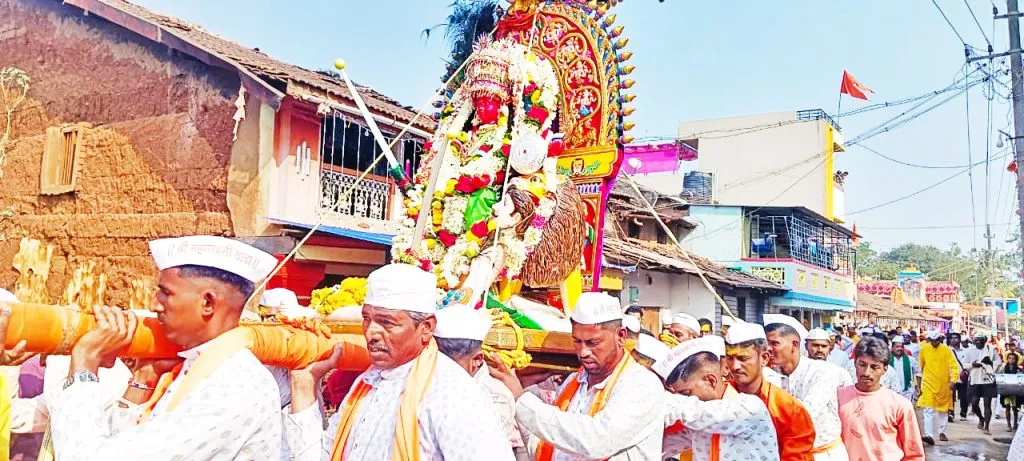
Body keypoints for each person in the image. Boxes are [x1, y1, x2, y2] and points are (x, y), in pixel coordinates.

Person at [30, 236, 285, 460]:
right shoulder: (203, 367)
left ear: (207, 303)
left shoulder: (234, 387)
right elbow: (122, 446)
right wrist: (142, 380)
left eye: (165, 293)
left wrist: (85, 364)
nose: (154, 305)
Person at [286, 263, 513, 460]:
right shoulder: (367, 384)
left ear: (426, 328)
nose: (371, 332)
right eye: (367, 319)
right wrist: (304, 385)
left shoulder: (453, 395)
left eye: (387, 322)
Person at [489, 292, 666, 460]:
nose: (583, 352)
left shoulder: (642, 385)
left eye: (592, 343)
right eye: (577, 341)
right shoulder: (573, 382)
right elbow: (548, 448)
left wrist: (522, 400)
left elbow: (595, 442)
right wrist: (517, 392)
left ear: (620, 336)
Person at [656, 336, 780, 461]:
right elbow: (659, 446)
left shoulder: (749, 408)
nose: (685, 399)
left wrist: (653, 399)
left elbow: (690, 411)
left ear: (711, 380)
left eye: (687, 393)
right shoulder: (700, 423)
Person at [434, 307, 527, 460]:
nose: (442, 371)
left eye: (451, 367)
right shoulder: (422, 380)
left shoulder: (496, 396)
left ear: (477, 359)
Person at [765, 314, 851, 461]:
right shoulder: (769, 374)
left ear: (795, 344)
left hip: (825, 455)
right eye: (765, 344)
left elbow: (804, 414)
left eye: (774, 343)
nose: (768, 349)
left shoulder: (823, 371)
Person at [724, 321, 815, 461]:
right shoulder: (717, 397)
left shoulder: (789, 410)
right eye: (730, 358)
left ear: (764, 358)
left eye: (743, 358)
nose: (735, 366)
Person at [838, 337, 925, 461]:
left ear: (885, 369)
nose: (867, 372)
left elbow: (914, 454)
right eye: (862, 365)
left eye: (874, 367)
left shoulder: (899, 405)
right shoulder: (838, 398)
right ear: (854, 363)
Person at [916, 329, 960, 445]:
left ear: (940, 340)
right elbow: (920, 366)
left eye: (936, 340)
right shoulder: (924, 349)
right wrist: (918, 383)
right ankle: (929, 435)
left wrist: (953, 380)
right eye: (932, 340)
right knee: (928, 409)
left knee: (943, 410)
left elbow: (953, 366)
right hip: (928, 383)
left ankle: (942, 431)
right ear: (929, 340)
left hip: (943, 384)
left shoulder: (946, 350)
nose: (934, 343)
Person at [963, 331, 1001, 434]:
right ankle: (981, 418)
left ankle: (987, 427)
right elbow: (964, 364)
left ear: (984, 341)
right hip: (975, 378)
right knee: (974, 402)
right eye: (976, 341)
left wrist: (989, 363)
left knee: (987, 403)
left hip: (987, 378)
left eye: (980, 341)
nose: (978, 342)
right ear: (974, 342)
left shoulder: (991, 350)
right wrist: (972, 364)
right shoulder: (969, 351)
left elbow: (998, 362)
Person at [888, 335, 921, 403]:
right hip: (891, 392)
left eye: (901, 347)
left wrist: (918, 387)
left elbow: (918, 373)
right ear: (892, 348)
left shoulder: (911, 359)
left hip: (907, 392)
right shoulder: (887, 360)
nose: (899, 349)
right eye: (897, 346)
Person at [947, 331, 970, 422]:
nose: (953, 340)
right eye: (951, 338)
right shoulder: (947, 350)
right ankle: (950, 413)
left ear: (959, 339)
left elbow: (968, 362)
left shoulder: (966, 351)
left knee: (964, 396)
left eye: (955, 338)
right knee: (950, 395)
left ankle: (963, 413)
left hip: (963, 376)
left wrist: (966, 371)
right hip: (951, 376)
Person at [997, 351, 1022, 432]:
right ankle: (1008, 424)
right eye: (1010, 358)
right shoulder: (1003, 368)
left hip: (1015, 392)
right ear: (1007, 359)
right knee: (1007, 406)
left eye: (1013, 359)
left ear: (1016, 360)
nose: (1011, 360)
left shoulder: (1019, 369)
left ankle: (1015, 423)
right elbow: (999, 376)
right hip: (1006, 391)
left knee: (1015, 408)